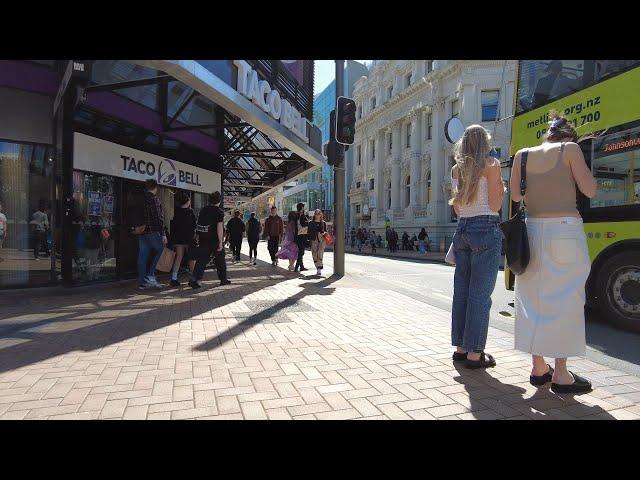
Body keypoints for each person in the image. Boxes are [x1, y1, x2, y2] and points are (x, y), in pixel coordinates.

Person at [510, 111, 597, 394]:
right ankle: (561, 373)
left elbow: (514, 196)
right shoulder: (570, 150)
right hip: (564, 231)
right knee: (566, 300)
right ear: (567, 136)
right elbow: (591, 190)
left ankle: (538, 367)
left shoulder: (522, 155)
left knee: (531, 299)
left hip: (531, 231)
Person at [449, 124, 505, 369]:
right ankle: (475, 354)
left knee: (462, 293)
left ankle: (461, 349)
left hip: (462, 230)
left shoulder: (456, 169)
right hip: (485, 228)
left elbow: (458, 208)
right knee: (480, 295)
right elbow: (494, 205)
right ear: (485, 143)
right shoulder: (491, 165)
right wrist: (500, 188)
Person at [189, 191, 230, 289]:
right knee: (220, 260)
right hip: (215, 240)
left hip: (203, 239)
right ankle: (223, 279)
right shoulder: (219, 212)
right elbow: (219, 228)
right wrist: (221, 242)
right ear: (219, 201)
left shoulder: (203, 210)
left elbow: (198, 225)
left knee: (201, 260)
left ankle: (194, 279)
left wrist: (198, 237)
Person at [137, 180, 167, 289]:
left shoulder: (142, 199)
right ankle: (151, 274)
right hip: (153, 231)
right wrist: (163, 233)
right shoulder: (154, 199)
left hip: (141, 231)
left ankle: (142, 282)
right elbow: (158, 218)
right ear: (155, 187)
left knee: (142, 256)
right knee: (161, 249)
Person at [169, 191, 196, 287]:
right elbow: (194, 226)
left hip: (178, 238)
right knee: (191, 258)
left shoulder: (176, 212)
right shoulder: (190, 212)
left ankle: (174, 278)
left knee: (178, 257)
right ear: (187, 201)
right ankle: (193, 279)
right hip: (188, 238)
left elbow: (173, 225)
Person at [308, 209, 327, 276]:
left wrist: (323, 233)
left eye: (319, 213)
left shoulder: (323, 223)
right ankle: (318, 266)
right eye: (316, 213)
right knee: (314, 254)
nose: (317, 215)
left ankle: (319, 268)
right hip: (314, 240)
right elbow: (309, 232)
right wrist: (316, 233)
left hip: (322, 240)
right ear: (314, 214)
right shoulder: (311, 223)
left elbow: (325, 231)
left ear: (321, 214)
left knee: (320, 253)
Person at [294, 203, 309, 272]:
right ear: (302, 208)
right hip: (302, 235)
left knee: (300, 251)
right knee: (301, 252)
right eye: (303, 207)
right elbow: (304, 224)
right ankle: (297, 267)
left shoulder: (296, 215)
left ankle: (301, 266)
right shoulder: (302, 215)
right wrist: (308, 222)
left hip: (297, 235)